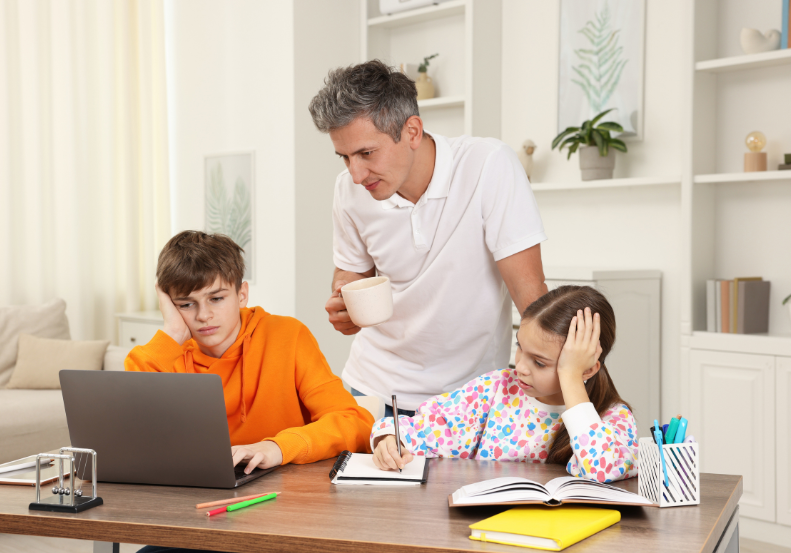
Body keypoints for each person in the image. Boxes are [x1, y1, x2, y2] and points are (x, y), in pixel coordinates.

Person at [309, 60, 548, 416]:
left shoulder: (488, 166)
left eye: (366, 153)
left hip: (472, 397)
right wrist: (345, 302)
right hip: (374, 390)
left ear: (412, 132)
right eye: (344, 157)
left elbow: (531, 297)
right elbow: (350, 273)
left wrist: (564, 396)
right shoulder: (348, 190)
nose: (356, 174)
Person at [125, 231, 374, 475]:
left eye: (216, 298)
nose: (203, 316)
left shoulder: (287, 336)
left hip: (286, 493)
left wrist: (277, 447)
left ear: (241, 295)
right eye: (186, 304)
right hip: (193, 496)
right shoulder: (167, 354)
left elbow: (355, 424)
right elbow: (124, 434)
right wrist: (173, 334)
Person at [370, 286, 638, 484]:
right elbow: (420, 429)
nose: (520, 366)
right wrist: (389, 440)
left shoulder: (612, 418)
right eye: (520, 347)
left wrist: (570, 377)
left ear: (587, 369)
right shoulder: (494, 389)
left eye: (540, 363)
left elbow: (601, 470)